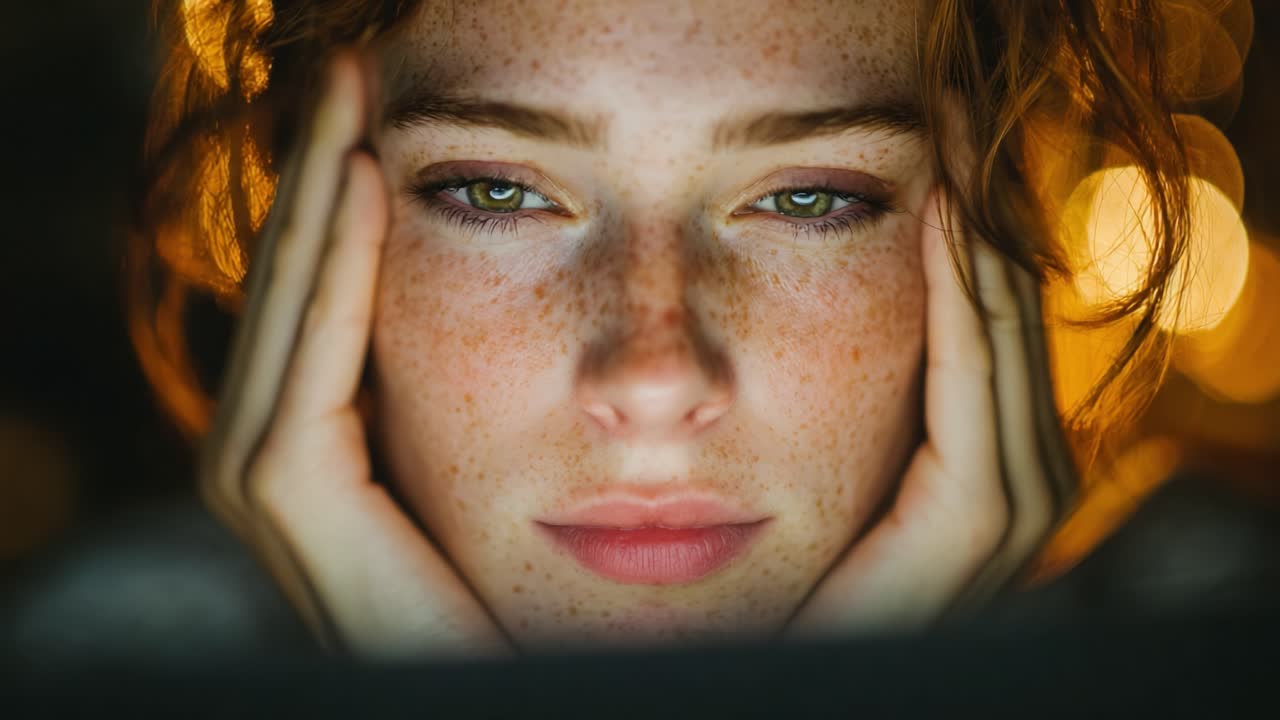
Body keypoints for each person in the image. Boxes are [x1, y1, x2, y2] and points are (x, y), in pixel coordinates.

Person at [129, 0, 1191, 658]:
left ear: (993, 227)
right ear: (292, 221)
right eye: (496, 193)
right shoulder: (83, 678)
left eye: (808, 200)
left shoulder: (1215, 659)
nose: (650, 379)